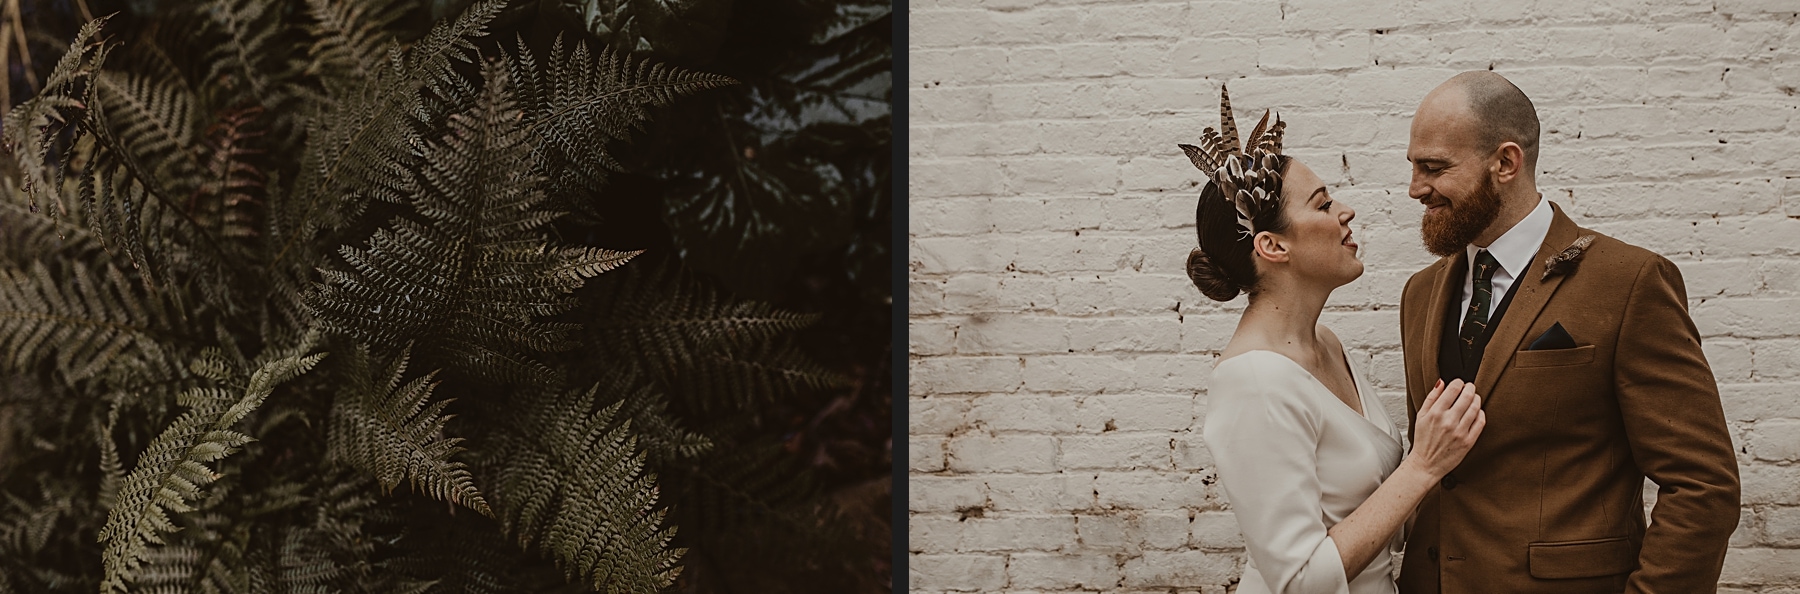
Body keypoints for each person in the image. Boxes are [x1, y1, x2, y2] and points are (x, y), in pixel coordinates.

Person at [1395, 71, 1741, 593]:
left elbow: (1703, 484)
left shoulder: (1629, 282)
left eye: (1434, 168)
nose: (1416, 188)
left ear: (1506, 163)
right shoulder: (1419, 294)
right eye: (1414, 167)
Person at [1185, 86, 1486, 594]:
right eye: (1322, 204)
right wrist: (1425, 464)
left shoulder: (1325, 343)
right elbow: (1298, 582)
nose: (1345, 211)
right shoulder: (1254, 381)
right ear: (1273, 245)